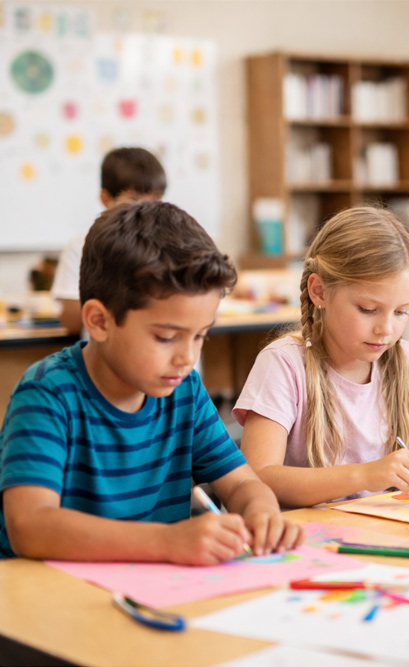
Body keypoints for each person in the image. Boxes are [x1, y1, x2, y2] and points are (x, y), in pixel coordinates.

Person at [0, 202, 304, 562]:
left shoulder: (185, 390)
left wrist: (261, 512)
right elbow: (29, 527)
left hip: (152, 589)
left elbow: (240, 483)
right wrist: (167, 542)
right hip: (50, 598)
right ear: (99, 321)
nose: (187, 358)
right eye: (165, 337)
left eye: (200, 336)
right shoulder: (47, 395)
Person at [234, 207, 409, 507]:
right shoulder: (283, 363)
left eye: (401, 312)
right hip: (304, 539)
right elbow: (257, 477)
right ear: (319, 291)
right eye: (367, 309)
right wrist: (363, 476)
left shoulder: (405, 360)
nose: (386, 329)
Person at [51, 147, 166, 335]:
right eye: (133, 201)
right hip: (104, 357)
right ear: (106, 199)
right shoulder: (81, 247)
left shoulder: (174, 244)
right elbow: (70, 320)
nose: (145, 211)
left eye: (155, 201)